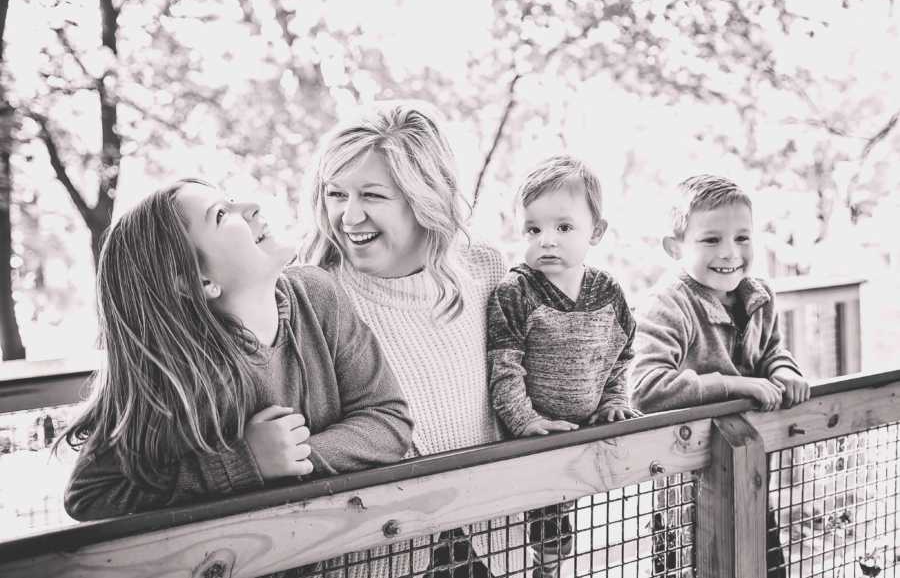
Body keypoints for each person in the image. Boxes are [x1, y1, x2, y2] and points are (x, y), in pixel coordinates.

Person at [57, 179, 412, 523]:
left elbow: (388, 421)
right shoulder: (178, 374)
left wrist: (289, 460)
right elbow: (89, 495)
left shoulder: (319, 296)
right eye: (221, 215)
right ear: (200, 282)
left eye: (231, 200)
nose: (251, 207)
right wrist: (243, 464)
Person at [303, 100, 523, 578]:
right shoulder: (315, 295)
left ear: (424, 197)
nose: (349, 216)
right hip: (380, 556)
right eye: (336, 194)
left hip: (494, 543)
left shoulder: (484, 270)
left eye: (373, 196)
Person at [631, 173, 810, 577]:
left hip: (747, 471)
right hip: (683, 483)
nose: (730, 252)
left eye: (742, 238)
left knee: (760, 564)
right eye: (711, 240)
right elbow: (644, 387)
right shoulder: (669, 303)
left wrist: (783, 368)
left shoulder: (757, 295)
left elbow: (770, 350)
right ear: (675, 247)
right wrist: (734, 385)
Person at [487, 155, 642, 578]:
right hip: (532, 436)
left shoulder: (607, 291)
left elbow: (621, 351)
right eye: (533, 229)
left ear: (597, 231)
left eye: (564, 227)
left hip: (587, 430)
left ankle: (550, 566)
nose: (547, 241)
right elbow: (505, 364)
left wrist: (613, 399)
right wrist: (524, 421)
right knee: (538, 525)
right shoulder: (516, 291)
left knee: (572, 522)